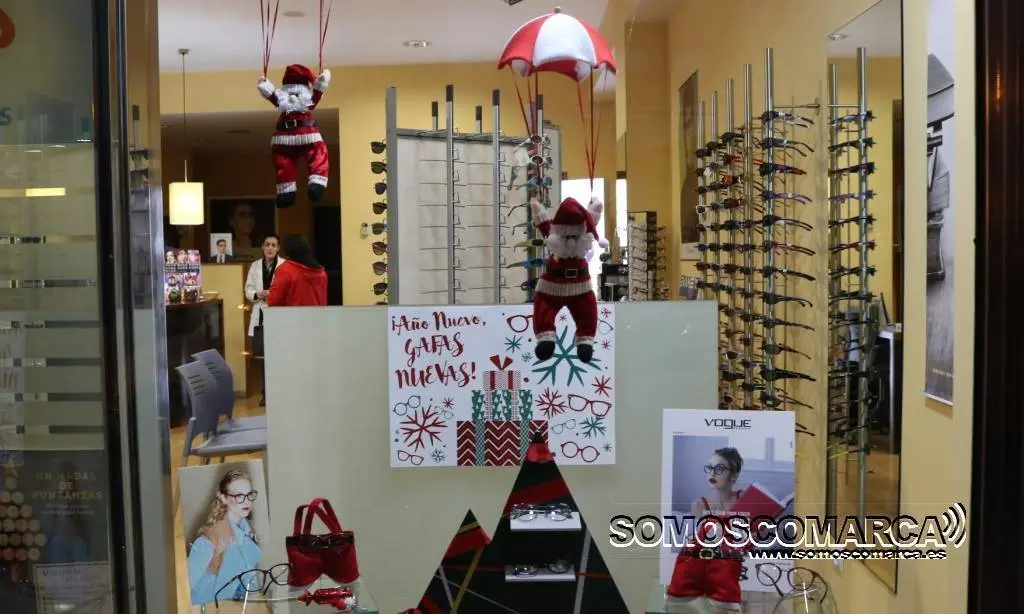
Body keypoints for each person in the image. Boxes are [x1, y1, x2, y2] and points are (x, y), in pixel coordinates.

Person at [666, 447, 746, 612]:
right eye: (710, 467)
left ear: (734, 475)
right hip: (712, 574)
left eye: (720, 468)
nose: (713, 473)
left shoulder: (744, 498)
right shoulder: (699, 505)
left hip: (738, 574)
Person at [186, 469, 261, 606]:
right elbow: (188, 595)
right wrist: (213, 568)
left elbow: (249, 588)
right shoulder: (206, 542)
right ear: (223, 498)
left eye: (249, 494)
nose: (246, 502)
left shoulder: (247, 536)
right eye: (239, 496)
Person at [245, 234, 284, 406]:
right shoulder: (254, 266)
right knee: (262, 357)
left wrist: (273, 295)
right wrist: (258, 294)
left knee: (279, 356)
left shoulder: (284, 266)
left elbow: (287, 289)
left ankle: (279, 392)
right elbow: (248, 289)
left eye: (273, 245)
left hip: (278, 314)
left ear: (278, 248)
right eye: (267, 244)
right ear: (262, 246)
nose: (270, 248)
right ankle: (265, 394)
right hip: (260, 315)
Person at [267, 235, 327, 307]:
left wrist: (268, 295)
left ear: (288, 252)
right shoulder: (322, 273)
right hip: (319, 314)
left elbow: (274, 301)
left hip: (293, 314)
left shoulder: (285, 270)